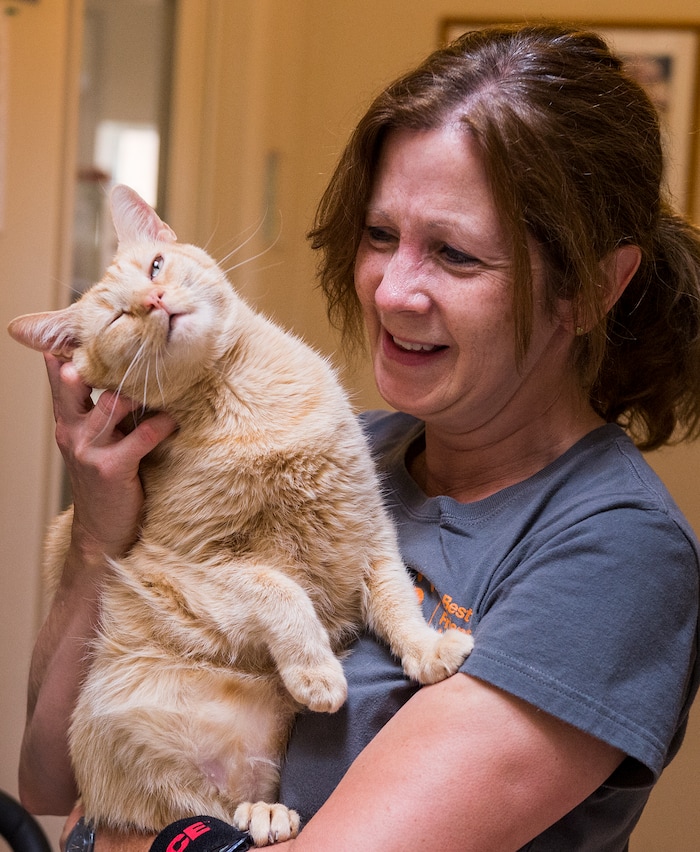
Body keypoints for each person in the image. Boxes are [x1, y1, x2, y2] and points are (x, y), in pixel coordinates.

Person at [18, 22, 700, 852]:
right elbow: (52, 775)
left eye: (453, 254)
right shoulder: (340, 451)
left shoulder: (613, 554)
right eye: (381, 237)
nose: (392, 290)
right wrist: (97, 531)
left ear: (592, 287)